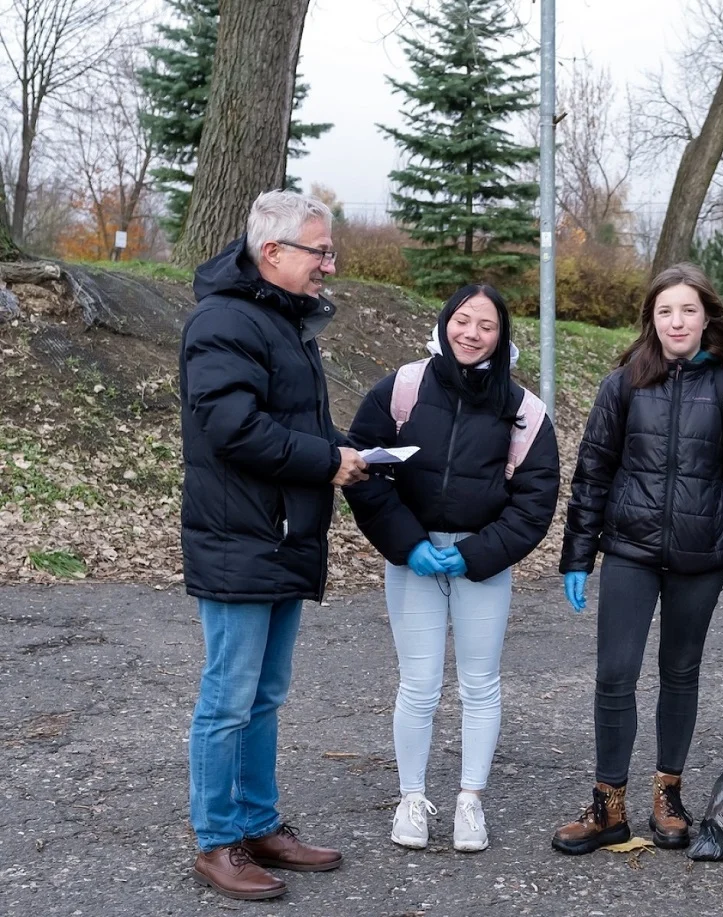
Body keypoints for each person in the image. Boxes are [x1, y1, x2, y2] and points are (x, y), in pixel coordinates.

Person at [551, 263, 723, 855]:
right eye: (665, 311)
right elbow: (592, 474)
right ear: (652, 320)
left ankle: (668, 795)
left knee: (681, 672)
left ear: (707, 317)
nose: (677, 321)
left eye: (688, 310)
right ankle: (608, 806)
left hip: (702, 558)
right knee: (615, 674)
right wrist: (578, 554)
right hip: (629, 552)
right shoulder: (622, 384)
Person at [180, 190, 367, 901]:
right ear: (274, 253)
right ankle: (216, 838)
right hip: (239, 539)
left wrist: (352, 451)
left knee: (264, 695)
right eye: (320, 250)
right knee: (227, 698)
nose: (330, 262)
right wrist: (327, 462)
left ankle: (258, 823)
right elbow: (235, 429)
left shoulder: (280, 320)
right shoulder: (224, 320)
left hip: (282, 538)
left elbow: (291, 422)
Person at [344, 284, 559, 853]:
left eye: (485, 325)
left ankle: (470, 801)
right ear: (444, 323)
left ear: (501, 336)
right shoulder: (404, 387)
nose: (471, 333)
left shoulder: (523, 410)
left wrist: (475, 553)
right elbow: (363, 466)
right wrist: (407, 542)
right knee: (418, 685)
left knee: (480, 684)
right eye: (462, 320)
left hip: (480, 563)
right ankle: (411, 799)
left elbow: (536, 501)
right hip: (413, 559)